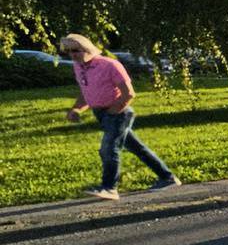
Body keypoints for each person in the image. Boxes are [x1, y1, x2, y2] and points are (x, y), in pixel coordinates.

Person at [63, 34, 175, 200]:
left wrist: (113, 111)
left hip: (118, 112)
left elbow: (129, 93)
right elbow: (87, 92)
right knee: (137, 148)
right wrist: (77, 109)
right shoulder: (79, 67)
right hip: (101, 113)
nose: (73, 55)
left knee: (108, 149)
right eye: (69, 51)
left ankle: (109, 188)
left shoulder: (109, 65)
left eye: (76, 50)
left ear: (86, 48)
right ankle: (167, 178)